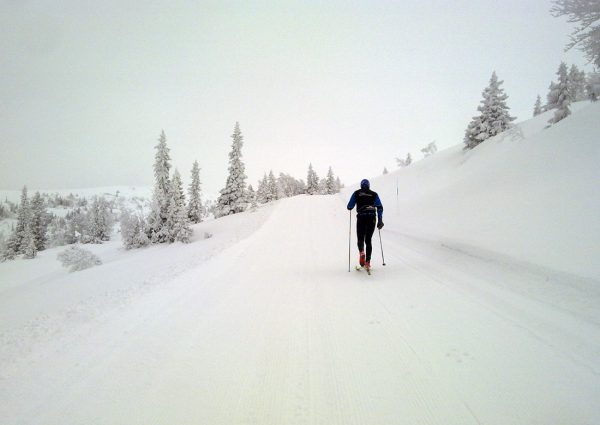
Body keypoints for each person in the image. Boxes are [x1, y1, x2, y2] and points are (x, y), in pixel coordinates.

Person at [347, 179, 383, 269]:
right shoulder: (374, 194)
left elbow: (349, 206)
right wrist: (380, 220)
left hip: (362, 217)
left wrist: (351, 206)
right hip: (372, 218)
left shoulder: (357, 193)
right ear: (369, 185)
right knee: (368, 240)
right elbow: (380, 207)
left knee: (360, 237)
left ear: (361, 185)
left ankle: (362, 252)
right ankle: (367, 262)